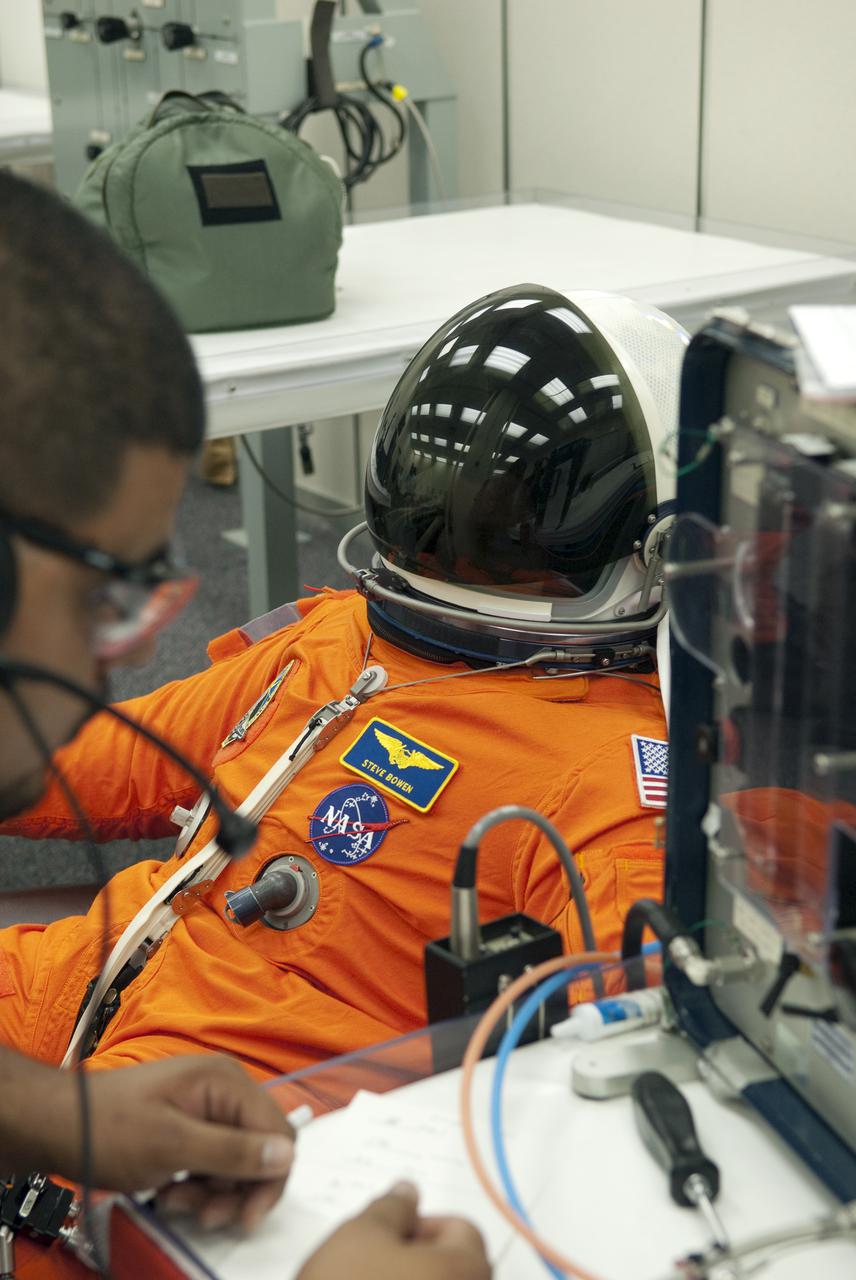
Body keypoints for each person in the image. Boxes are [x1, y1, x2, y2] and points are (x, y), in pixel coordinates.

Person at [0, 283, 687, 1096]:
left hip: (232, 1086)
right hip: (87, 973)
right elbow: (100, 755)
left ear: (649, 544)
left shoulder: (607, 777)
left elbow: (631, 1046)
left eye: (507, 519)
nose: (455, 531)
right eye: (443, 492)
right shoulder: (339, 637)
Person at [0, 172, 488, 1278]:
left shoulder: (597, 752)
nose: (113, 658)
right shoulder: (329, 643)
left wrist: (49, 1112)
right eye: (100, 596)